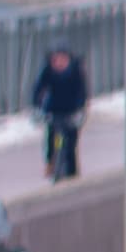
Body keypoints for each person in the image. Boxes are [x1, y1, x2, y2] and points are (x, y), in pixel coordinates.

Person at [30, 37, 87, 182]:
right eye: (56, 59)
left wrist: (80, 110)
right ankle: (50, 162)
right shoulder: (47, 71)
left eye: (63, 59)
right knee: (52, 138)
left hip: (70, 111)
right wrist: (36, 108)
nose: (59, 63)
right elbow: (38, 90)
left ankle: (73, 173)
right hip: (53, 111)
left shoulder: (75, 71)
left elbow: (82, 92)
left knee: (71, 142)